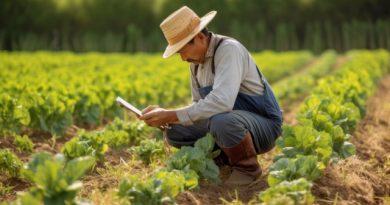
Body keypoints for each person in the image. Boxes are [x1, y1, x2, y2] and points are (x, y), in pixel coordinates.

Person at [139, 6, 283, 185]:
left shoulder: (229, 50)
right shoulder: (195, 65)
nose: (183, 58)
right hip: (230, 123)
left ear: (199, 37)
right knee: (175, 131)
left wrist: (172, 114)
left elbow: (222, 102)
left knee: (222, 121)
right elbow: (199, 106)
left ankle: (247, 169)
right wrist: (167, 118)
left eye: (182, 51)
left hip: (263, 125)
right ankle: (223, 162)